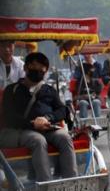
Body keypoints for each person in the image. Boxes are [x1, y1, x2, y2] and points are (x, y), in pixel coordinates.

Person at [0, 52, 77, 182]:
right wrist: (32, 123)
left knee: (64, 137)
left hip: (46, 127)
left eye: (42, 69)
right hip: (19, 130)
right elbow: (9, 116)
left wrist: (48, 118)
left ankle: (72, 181)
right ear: (25, 68)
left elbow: (62, 110)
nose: (38, 71)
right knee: (38, 140)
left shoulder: (48, 90)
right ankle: (46, 184)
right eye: (34, 66)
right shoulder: (12, 90)